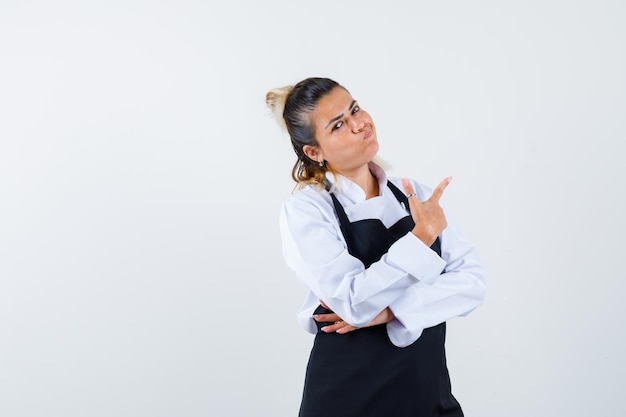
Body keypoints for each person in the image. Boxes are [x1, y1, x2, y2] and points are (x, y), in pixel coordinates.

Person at [266, 77, 486, 417]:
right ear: (314, 151)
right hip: (348, 399)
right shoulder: (308, 210)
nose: (359, 124)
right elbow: (352, 301)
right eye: (338, 124)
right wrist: (421, 239)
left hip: (426, 394)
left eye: (355, 109)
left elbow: (472, 282)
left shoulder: (416, 194)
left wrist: (389, 311)